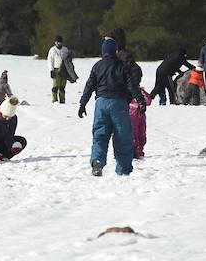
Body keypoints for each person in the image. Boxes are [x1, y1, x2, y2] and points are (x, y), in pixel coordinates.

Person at [78, 28, 145, 177]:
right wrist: (140, 101)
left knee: (100, 135)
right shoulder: (122, 66)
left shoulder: (97, 66)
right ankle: (123, 169)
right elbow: (132, 85)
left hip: (100, 104)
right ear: (115, 51)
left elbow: (89, 86)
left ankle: (97, 161)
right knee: (123, 136)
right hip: (118, 104)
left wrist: (82, 104)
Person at [48, 35, 69, 103]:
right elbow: (50, 60)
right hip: (56, 69)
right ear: (55, 42)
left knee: (62, 86)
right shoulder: (52, 50)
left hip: (64, 70)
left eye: (60, 42)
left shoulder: (65, 50)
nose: (59, 43)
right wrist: (51, 70)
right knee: (55, 86)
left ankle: (62, 100)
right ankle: (55, 100)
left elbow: (69, 60)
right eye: (57, 42)